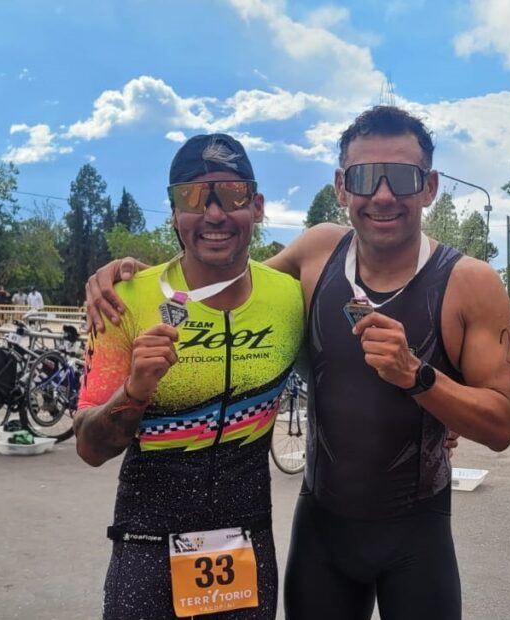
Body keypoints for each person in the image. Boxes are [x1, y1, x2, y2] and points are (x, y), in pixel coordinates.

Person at [86, 106, 510, 620]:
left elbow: (500, 426)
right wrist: (130, 279)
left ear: (429, 187)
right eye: (364, 177)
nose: (383, 195)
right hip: (323, 538)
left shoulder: (471, 283)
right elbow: (227, 283)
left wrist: (419, 377)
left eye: (402, 177)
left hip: (417, 540)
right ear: (341, 186)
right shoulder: (316, 253)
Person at [74, 133, 304, 619]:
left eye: (232, 194)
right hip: (145, 547)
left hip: (246, 545)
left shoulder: (290, 299)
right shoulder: (124, 300)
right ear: (174, 212)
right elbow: (89, 448)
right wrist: (134, 391)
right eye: (193, 197)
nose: (214, 213)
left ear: (258, 206)